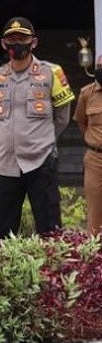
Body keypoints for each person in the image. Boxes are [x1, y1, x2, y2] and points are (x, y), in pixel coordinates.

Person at [0, 17, 75, 241]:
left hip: (40, 161)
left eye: (22, 38)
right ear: (4, 44)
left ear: (33, 42)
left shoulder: (52, 73)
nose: (17, 43)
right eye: (11, 39)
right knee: (2, 231)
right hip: (6, 163)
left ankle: (52, 273)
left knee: (49, 229)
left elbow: (63, 116)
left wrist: (42, 139)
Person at [73, 55, 102, 235]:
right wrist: (94, 141)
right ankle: (96, 260)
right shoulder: (86, 93)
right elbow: (81, 122)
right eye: (99, 66)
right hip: (95, 159)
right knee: (95, 213)